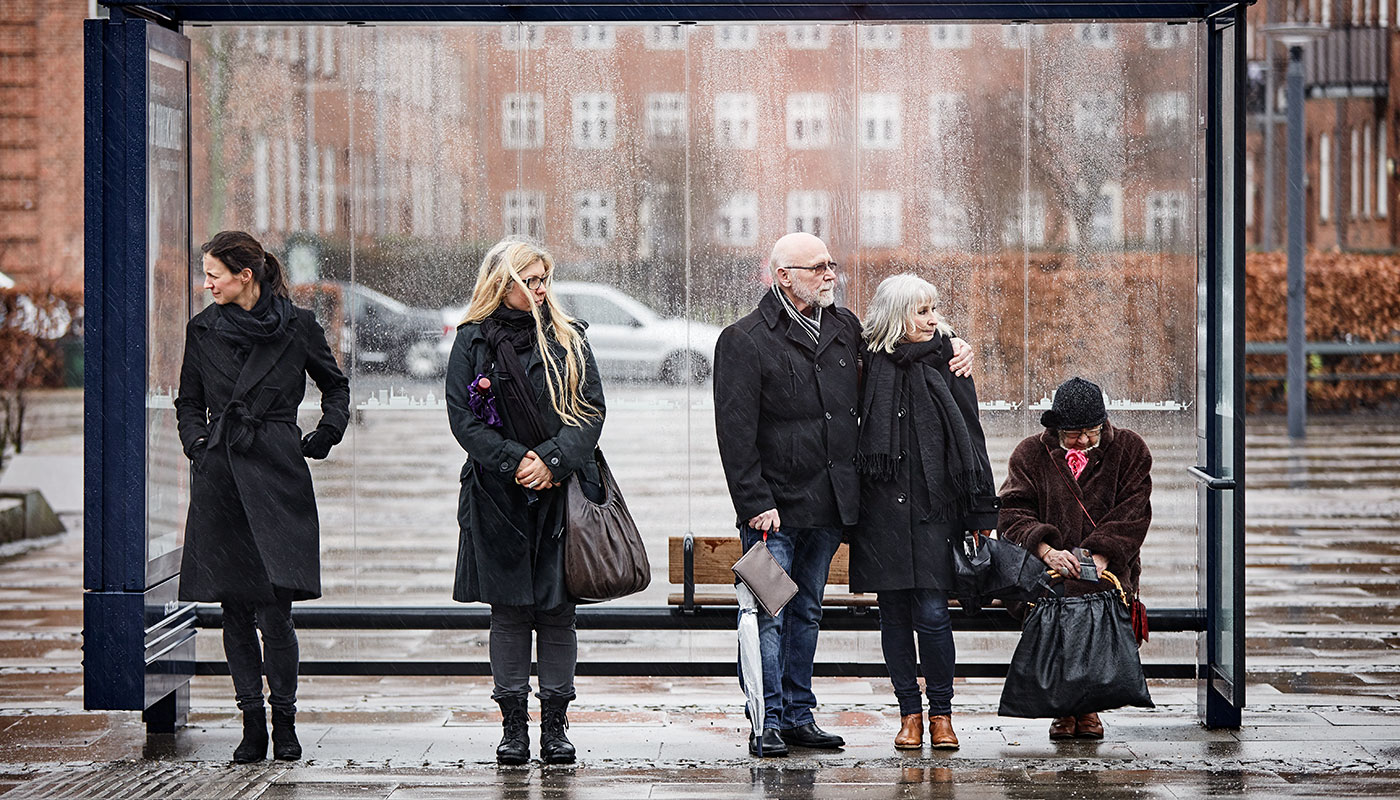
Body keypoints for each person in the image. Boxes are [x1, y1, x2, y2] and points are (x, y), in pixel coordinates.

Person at [714, 233, 973, 758]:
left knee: (806, 610)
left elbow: (899, 351)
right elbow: (734, 433)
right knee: (769, 612)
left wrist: (952, 343)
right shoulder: (744, 339)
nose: (831, 274)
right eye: (818, 268)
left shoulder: (844, 327)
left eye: (832, 265)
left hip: (830, 504)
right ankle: (766, 720)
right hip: (773, 510)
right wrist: (754, 502)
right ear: (782, 275)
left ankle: (798, 713)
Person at [175, 230, 350, 763]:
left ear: (244, 276)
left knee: (276, 613)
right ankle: (252, 725)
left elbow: (335, 384)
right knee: (233, 609)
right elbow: (188, 400)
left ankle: (287, 722)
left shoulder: (297, 326)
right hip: (223, 475)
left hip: (277, 469)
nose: (206, 284)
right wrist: (198, 445)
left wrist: (325, 433)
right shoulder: (202, 330)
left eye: (214, 275)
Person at [445, 238, 605, 766]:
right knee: (509, 614)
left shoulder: (568, 337)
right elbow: (462, 420)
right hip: (497, 497)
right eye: (529, 280)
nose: (540, 289)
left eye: (544, 280)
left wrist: (551, 462)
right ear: (502, 283)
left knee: (559, 614)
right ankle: (513, 727)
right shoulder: (472, 341)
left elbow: (591, 413)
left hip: (561, 497)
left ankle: (556, 726)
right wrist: (517, 461)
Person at [849, 274, 999, 751]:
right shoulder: (866, 361)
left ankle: (941, 714)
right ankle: (908, 714)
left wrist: (981, 514)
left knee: (934, 615)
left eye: (934, 308)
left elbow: (971, 438)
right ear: (896, 316)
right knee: (892, 616)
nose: (932, 318)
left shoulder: (951, 356)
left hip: (938, 511)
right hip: (882, 515)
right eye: (920, 311)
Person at [998, 376, 1153, 741]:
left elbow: (1134, 511)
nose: (1083, 440)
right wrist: (1047, 551)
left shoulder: (1130, 449)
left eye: (1091, 431)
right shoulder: (1029, 454)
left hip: (1110, 567)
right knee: (1060, 599)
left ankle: (1081, 706)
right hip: (1045, 573)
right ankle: (1072, 707)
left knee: (1090, 595)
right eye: (1073, 433)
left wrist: (1100, 554)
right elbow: (1011, 512)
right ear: (1055, 427)